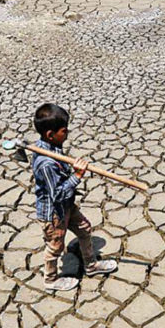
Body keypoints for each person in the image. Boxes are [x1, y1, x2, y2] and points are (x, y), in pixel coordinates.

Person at [31, 103, 118, 291]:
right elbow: (58, 193)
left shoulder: (50, 146)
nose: (67, 133)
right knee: (55, 247)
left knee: (84, 229)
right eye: (64, 131)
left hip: (67, 205)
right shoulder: (46, 163)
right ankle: (51, 280)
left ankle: (91, 265)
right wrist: (77, 175)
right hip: (54, 213)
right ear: (50, 134)